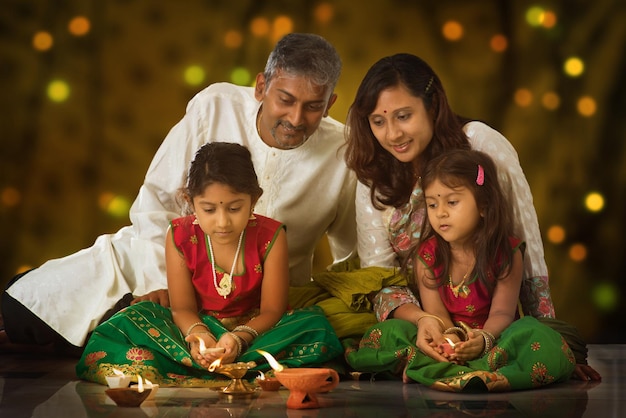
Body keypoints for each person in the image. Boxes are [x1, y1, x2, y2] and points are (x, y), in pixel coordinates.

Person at [2, 33, 356, 353]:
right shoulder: (215, 105)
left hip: (260, 306)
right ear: (262, 87)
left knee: (103, 341)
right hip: (159, 266)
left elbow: (349, 254)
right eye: (286, 99)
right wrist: (165, 287)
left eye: (313, 106)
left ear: (330, 103)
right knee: (24, 308)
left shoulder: (344, 151)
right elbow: (155, 204)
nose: (296, 118)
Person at [343, 53, 600, 381]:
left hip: (494, 324)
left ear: (433, 105)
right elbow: (379, 278)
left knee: (537, 341)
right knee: (384, 337)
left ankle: (441, 368)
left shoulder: (479, 142)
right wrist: (428, 323)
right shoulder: (372, 174)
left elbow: (527, 244)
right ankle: (435, 359)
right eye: (378, 122)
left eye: (403, 116)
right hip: (422, 322)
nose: (392, 134)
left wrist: (557, 346)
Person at [76, 142, 343, 385]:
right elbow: (181, 308)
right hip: (196, 325)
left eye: (235, 208)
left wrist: (238, 338)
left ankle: (205, 365)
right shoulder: (179, 235)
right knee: (130, 319)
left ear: (255, 199)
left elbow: (272, 310)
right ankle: (220, 364)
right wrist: (199, 337)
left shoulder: (271, 236)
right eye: (209, 209)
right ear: (189, 202)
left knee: (314, 328)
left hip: (256, 332)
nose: (223, 222)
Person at [347, 149, 576, 391]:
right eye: (432, 205)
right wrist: (451, 340)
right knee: (391, 331)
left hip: (495, 340)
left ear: (483, 206)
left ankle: (433, 371)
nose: (440, 213)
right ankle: (460, 370)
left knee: (533, 333)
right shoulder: (428, 255)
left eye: (452, 202)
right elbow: (435, 312)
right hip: (445, 335)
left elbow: (502, 313)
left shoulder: (507, 252)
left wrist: (483, 340)